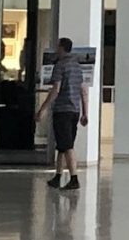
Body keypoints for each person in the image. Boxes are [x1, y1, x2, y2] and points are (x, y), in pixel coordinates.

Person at [39, 36, 91, 190]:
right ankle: (58, 175)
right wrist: (84, 112)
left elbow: (56, 89)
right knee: (62, 145)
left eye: (57, 46)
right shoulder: (77, 66)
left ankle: (74, 178)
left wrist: (43, 108)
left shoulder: (60, 66)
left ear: (62, 48)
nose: (56, 49)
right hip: (75, 110)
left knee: (67, 145)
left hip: (62, 110)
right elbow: (83, 90)